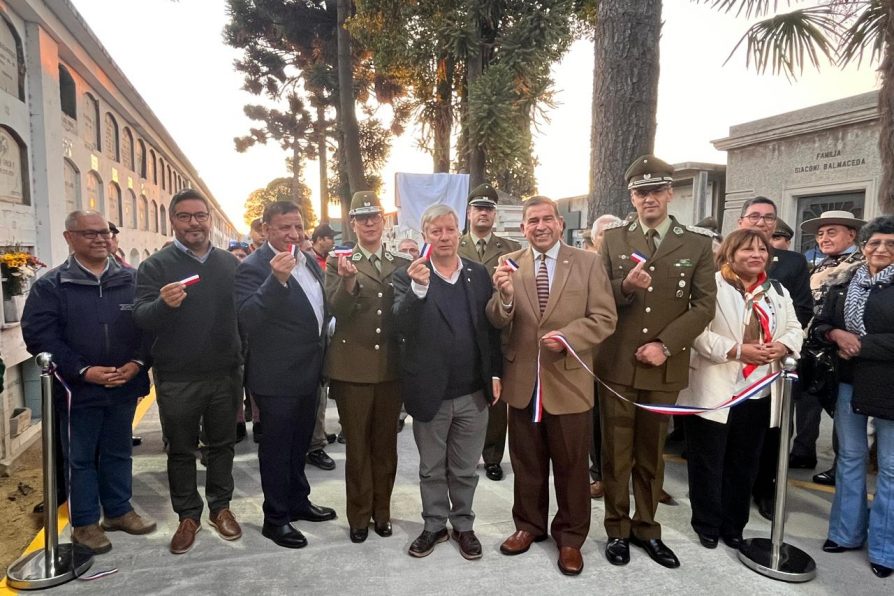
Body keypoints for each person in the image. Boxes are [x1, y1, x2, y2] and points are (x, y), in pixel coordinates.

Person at [597, 155, 716, 569]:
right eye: (640, 192)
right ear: (632, 197)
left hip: (663, 365)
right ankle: (616, 529)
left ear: (670, 193)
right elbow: (597, 297)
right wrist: (624, 286)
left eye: (655, 191)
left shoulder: (697, 243)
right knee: (616, 452)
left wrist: (665, 345)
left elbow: (703, 306)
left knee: (651, 453)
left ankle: (647, 528)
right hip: (618, 366)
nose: (648, 198)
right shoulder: (613, 240)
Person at [487, 196, 617, 576]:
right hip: (524, 382)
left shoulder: (588, 263)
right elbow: (496, 319)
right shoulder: (510, 264)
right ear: (523, 228)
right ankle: (528, 526)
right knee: (526, 462)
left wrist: (570, 336)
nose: (540, 226)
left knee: (572, 466)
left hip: (569, 380)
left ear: (560, 224)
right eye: (532, 221)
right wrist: (506, 298)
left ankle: (571, 538)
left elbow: (605, 318)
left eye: (547, 219)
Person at [22, 210, 155, 554]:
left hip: (123, 383)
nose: (100, 239)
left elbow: (149, 327)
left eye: (105, 232)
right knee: (79, 458)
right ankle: (84, 523)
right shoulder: (52, 286)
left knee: (118, 450)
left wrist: (137, 363)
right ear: (70, 238)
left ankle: (119, 511)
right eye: (90, 233)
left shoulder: (131, 279)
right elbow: (40, 337)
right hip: (77, 390)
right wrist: (83, 370)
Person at [133, 189, 243, 555]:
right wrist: (163, 305)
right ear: (173, 221)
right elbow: (141, 317)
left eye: (200, 216)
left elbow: (245, 315)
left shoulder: (229, 264)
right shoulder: (155, 266)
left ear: (209, 219)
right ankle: (188, 515)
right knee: (181, 449)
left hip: (224, 374)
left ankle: (220, 508)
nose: (194, 223)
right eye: (185, 216)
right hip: (178, 376)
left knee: (222, 446)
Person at [677, 228, 802, 549]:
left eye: (762, 249)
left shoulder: (777, 291)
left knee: (744, 463)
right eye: (747, 249)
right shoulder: (710, 285)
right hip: (715, 386)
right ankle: (707, 523)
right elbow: (695, 332)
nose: (756, 255)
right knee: (708, 461)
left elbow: (794, 328)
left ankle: (734, 525)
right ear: (730, 254)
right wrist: (736, 350)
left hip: (759, 390)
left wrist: (783, 347)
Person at [394, 204, 502, 560]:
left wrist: (496, 373)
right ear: (425, 236)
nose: (444, 237)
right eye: (435, 231)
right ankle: (434, 525)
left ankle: (464, 525)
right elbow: (399, 324)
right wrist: (418, 290)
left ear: (460, 232)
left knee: (465, 467)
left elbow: (489, 331)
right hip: (430, 393)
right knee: (431, 467)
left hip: (473, 393)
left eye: (449, 229)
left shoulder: (477, 273)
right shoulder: (410, 274)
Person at [234, 201, 337, 549]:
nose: (293, 234)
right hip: (277, 378)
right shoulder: (254, 267)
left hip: (310, 373)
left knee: (298, 446)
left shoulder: (306, 260)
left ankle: (298, 501)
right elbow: (247, 318)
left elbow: (316, 308)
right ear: (266, 230)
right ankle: (275, 518)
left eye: (298, 227)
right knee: (277, 451)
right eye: (284, 228)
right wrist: (275, 282)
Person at [810, 215, 894, 579]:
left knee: (890, 468)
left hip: (890, 386)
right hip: (848, 382)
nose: (881, 250)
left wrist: (860, 345)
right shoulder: (843, 282)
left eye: (890, 244)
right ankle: (844, 533)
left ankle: (884, 548)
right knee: (850, 458)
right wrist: (834, 337)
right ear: (863, 246)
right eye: (875, 243)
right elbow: (822, 324)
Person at [325, 192, 409, 543]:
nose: (369, 223)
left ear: (384, 221)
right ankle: (359, 516)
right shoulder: (338, 261)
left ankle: (383, 513)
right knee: (357, 447)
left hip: (390, 368)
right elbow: (335, 309)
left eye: (374, 216)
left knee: (385, 446)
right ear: (353, 224)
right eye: (362, 218)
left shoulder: (400, 261)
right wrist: (347, 282)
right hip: (352, 368)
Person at [734, 197, 813, 521]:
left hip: (772, 363)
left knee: (773, 429)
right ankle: (734, 489)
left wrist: (777, 344)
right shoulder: (722, 259)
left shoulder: (791, 262)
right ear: (741, 221)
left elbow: (804, 309)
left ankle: (765, 490)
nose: (762, 222)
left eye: (769, 217)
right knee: (736, 432)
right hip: (733, 362)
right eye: (755, 215)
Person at [793, 209, 866, 486]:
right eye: (821, 233)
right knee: (807, 400)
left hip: (841, 346)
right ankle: (803, 451)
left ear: (852, 234)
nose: (824, 238)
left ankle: (840, 465)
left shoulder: (861, 265)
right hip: (812, 343)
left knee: (840, 408)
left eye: (831, 232)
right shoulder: (819, 265)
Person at [458, 182, 521, 482]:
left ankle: (493, 455)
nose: (483, 213)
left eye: (488, 209)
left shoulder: (510, 250)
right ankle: (465, 456)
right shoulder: (454, 246)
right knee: (467, 397)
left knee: (497, 400)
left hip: (499, 331)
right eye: (478, 208)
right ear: (468, 213)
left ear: (495, 215)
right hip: (464, 334)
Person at [585, 214, 622, 500]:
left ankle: (633, 475)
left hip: (627, 351)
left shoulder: (631, 262)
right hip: (594, 353)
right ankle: (599, 474)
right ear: (594, 239)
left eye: (614, 232)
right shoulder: (583, 263)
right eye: (603, 234)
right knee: (598, 418)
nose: (608, 238)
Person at [306, 222, 338, 471]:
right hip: (306, 341)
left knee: (321, 391)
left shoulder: (332, 262)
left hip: (326, 333)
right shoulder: (308, 263)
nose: (333, 242)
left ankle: (316, 440)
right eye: (329, 238)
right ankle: (313, 445)